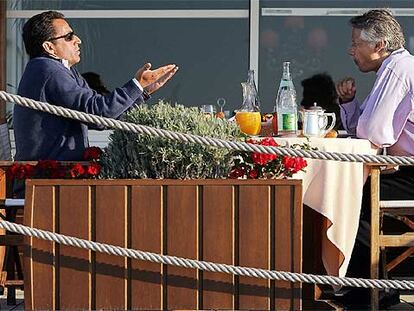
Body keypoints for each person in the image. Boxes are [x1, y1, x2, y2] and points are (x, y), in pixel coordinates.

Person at [14, 10, 178, 162]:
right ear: (49, 47)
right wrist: (136, 85)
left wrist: (141, 93)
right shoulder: (48, 69)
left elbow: (104, 120)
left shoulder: (63, 70)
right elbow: (98, 112)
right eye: (69, 36)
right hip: (46, 183)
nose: (78, 40)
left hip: (55, 181)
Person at [335, 9, 414, 308]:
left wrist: (360, 117)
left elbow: (373, 132)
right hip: (404, 170)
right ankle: (374, 286)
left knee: (353, 195)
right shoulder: (396, 67)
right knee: (360, 192)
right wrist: (349, 103)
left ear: (379, 45)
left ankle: (367, 289)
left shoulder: (397, 70)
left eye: (356, 43)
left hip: (411, 174)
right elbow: (365, 127)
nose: (351, 50)